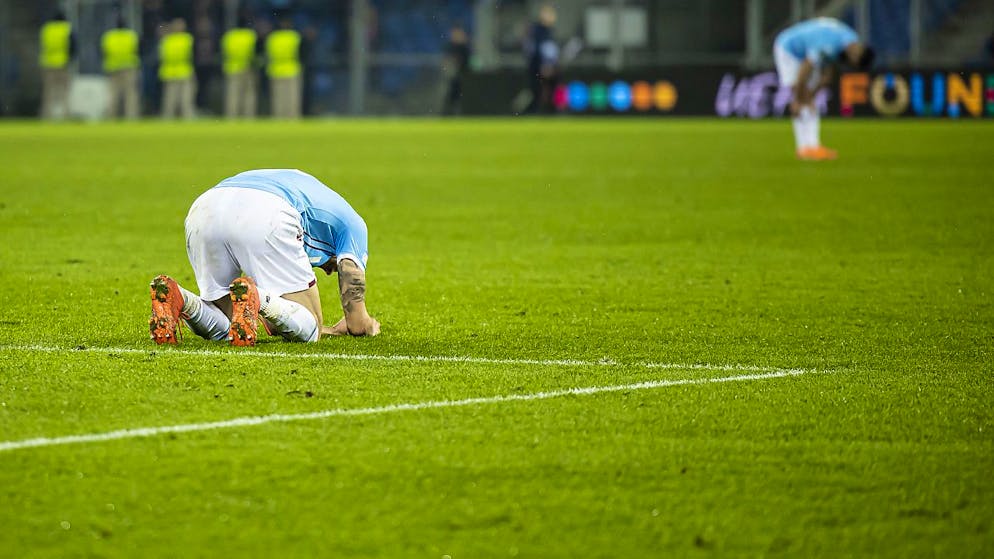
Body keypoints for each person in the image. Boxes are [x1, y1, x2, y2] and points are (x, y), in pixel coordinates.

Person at [149, 169, 380, 347]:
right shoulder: (354, 224)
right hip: (266, 210)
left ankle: (182, 299)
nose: (327, 270)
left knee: (227, 321)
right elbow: (351, 278)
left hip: (206, 207)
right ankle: (259, 296)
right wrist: (364, 323)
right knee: (311, 327)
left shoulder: (311, 188)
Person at [774, 17, 874, 160]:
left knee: (807, 99)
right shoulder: (829, 45)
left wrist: (811, 95)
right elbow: (805, 68)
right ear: (856, 56)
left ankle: (812, 147)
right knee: (801, 97)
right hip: (788, 49)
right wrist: (798, 98)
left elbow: (826, 75)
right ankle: (805, 148)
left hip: (806, 52)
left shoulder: (851, 39)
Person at [101, 15, 141, 120]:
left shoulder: (109, 36)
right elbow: (137, 51)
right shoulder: (131, 36)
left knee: (113, 94)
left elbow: (103, 52)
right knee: (130, 94)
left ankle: (111, 116)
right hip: (129, 68)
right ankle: (131, 117)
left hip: (113, 68)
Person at [38, 10, 76, 120]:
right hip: (62, 64)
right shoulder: (66, 28)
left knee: (48, 92)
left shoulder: (46, 29)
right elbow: (73, 46)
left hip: (48, 64)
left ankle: (46, 116)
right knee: (64, 91)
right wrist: (70, 59)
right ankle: (65, 115)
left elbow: (42, 45)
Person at [523, 4, 559, 114]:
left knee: (547, 90)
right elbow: (537, 49)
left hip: (545, 66)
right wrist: (544, 65)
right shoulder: (539, 30)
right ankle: (534, 113)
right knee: (537, 91)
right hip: (538, 66)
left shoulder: (548, 30)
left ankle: (547, 112)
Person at [221, 15, 258, 118]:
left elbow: (224, 52)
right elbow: (253, 53)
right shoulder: (250, 35)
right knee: (248, 94)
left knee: (232, 94)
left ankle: (231, 116)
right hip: (247, 67)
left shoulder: (229, 36)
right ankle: (248, 116)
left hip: (232, 67)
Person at [266, 16, 302, 119]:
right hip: (291, 68)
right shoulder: (294, 36)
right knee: (292, 97)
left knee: (277, 97)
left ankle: (278, 117)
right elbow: (299, 52)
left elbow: (269, 54)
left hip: (276, 69)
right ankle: (292, 118)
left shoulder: (273, 37)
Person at [159, 18, 196, 119]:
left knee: (171, 98)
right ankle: (187, 117)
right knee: (184, 98)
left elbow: (162, 56)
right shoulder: (187, 39)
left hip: (170, 71)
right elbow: (190, 55)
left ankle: (168, 118)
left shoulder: (166, 40)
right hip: (184, 70)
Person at [441, 24, 471, 115]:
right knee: (452, 97)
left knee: (462, 98)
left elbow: (468, 62)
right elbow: (447, 62)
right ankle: (448, 114)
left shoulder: (465, 48)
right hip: (454, 77)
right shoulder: (450, 47)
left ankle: (459, 114)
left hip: (464, 77)